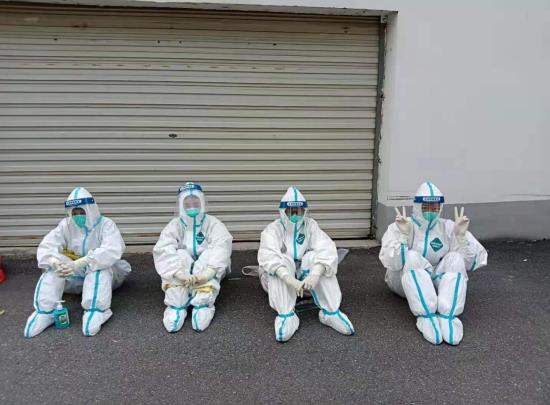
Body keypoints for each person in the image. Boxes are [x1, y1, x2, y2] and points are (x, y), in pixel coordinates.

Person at [379, 181, 488, 345]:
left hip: (434, 279)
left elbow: (472, 263)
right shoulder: (401, 225)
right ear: (417, 206)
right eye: (426, 206)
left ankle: (447, 316)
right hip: (402, 280)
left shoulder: (448, 227)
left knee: (455, 258)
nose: (431, 210)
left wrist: (461, 238)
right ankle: (426, 316)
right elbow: (391, 262)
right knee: (412, 257)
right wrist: (403, 237)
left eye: (435, 206)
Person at [24, 187, 131, 338]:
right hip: (74, 275)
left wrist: (81, 262)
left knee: (99, 268)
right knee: (53, 268)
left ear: (91, 209)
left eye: (82, 211)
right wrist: (54, 262)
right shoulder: (66, 225)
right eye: (74, 213)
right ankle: (45, 311)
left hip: (106, 277)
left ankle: (97, 310)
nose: (78, 216)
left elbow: (111, 250)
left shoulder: (105, 224)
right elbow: (48, 245)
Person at [257, 186, 354, 342]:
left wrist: (315, 274)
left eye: (299, 211)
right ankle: (286, 316)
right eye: (291, 211)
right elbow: (268, 256)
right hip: (281, 281)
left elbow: (326, 248)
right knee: (283, 260)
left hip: (306, 283)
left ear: (305, 211)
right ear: (283, 211)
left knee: (314, 257)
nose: (295, 215)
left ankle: (330, 312)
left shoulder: (310, 225)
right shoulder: (273, 229)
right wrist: (289, 279)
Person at [153, 182, 232, 333]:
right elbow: (163, 248)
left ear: (202, 202)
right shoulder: (175, 225)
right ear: (180, 205)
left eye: (195, 203)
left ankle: (203, 303)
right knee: (180, 254)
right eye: (187, 204)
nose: (192, 206)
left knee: (209, 254)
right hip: (183, 268)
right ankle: (176, 304)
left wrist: (208, 273)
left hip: (207, 268)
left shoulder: (213, 223)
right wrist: (178, 273)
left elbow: (222, 246)